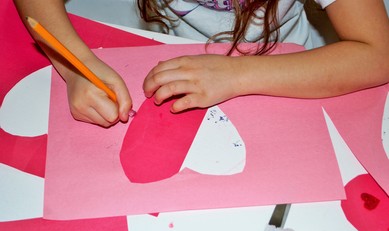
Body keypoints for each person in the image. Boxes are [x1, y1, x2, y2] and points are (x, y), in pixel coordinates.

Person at [14, 0, 389, 127]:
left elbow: (379, 53)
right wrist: (76, 65)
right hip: (170, 55)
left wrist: (238, 74)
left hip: (296, 73)